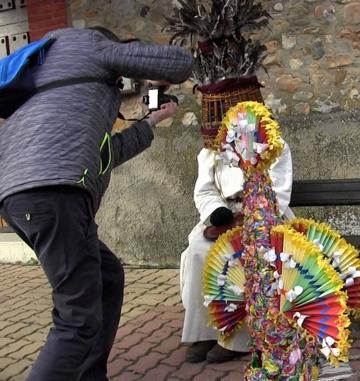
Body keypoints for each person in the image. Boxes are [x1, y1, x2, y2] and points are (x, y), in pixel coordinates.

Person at [0, 27, 193, 381]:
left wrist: (153, 119)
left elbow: (107, 154)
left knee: (107, 276)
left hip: (20, 197)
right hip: (56, 195)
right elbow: (180, 62)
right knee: (77, 320)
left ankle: (91, 375)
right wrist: (149, 72)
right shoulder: (88, 44)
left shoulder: (62, 86)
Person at [180, 134, 294, 363]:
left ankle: (237, 339)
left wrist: (254, 215)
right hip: (225, 216)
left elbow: (279, 191)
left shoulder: (274, 143)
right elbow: (205, 191)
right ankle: (205, 332)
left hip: (265, 214)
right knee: (198, 250)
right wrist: (217, 212)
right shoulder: (211, 149)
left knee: (244, 251)